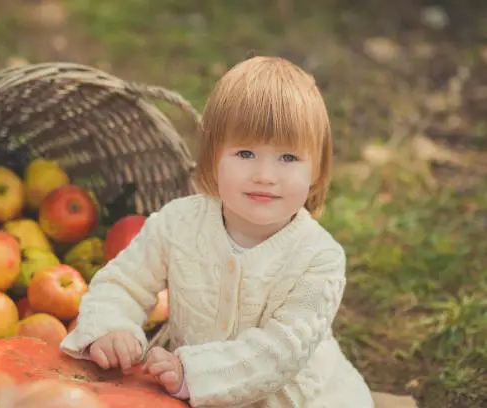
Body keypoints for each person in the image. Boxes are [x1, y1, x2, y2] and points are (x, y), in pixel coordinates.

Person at [60, 55, 375, 408]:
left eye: (287, 158)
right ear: (212, 159)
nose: (265, 175)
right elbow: (123, 282)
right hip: (186, 390)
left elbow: (281, 351)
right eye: (245, 153)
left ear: (317, 170)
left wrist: (192, 373)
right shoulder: (179, 222)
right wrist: (111, 325)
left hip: (296, 399)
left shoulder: (320, 258)